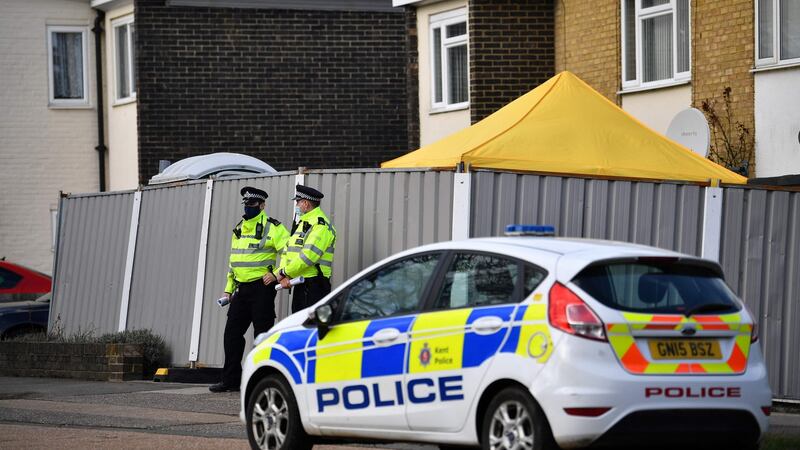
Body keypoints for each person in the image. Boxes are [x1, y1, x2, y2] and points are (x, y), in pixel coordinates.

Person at [209, 186, 289, 393]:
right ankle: (231, 380)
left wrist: (278, 274)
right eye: (246, 204)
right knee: (232, 334)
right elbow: (234, 262)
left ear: (262, 205)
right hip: (241, 290)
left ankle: (262, 381)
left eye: (252, 204)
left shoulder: (274, 227)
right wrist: (228, 290)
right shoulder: (239, 227)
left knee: (262, 335)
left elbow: (289, 252)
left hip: (261, 289)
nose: (248, 208)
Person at [277, 185, 336, 313]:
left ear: (305, 203)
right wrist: (284, 273)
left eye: (298, 202)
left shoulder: (320, 225)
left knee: (310, 327)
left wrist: (284, 273)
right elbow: (288, 250)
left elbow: (308, 256)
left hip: (315, 284)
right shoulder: (303, 223)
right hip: (300, 283)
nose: (296, 205)